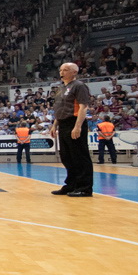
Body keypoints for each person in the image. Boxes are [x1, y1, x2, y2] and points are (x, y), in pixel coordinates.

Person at [52, 62, 93, 196]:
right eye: (61, 70)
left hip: (74, 122)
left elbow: (83, 107)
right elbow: (60, 108)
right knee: (66, 156)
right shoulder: (61, 88)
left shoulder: (79, 86)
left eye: (66, 70)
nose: (62, 72)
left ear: (74, 72)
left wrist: (78, 126)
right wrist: (54, 125)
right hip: (63, 123)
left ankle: (84, 188)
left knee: (79, 156)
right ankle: (71, 185)